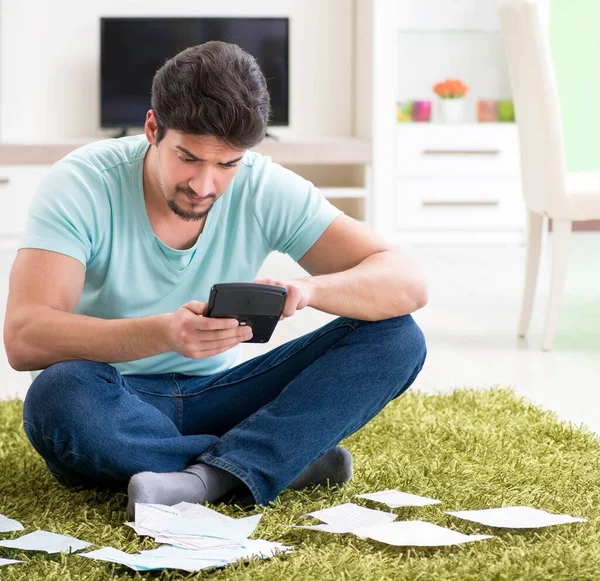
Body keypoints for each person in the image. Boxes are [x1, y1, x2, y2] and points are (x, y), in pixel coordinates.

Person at [3, 41, 428, 520]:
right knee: (59, 394)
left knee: (396, 337)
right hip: (112, 398)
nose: (205, 185)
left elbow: (407, 281)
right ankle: (273, 459)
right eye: (188, 158)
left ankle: (209, 475)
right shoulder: (81, 184)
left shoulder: (264, 185)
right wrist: (163, 333)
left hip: (223, 394)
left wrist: (310, 291)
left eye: (226, 164)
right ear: (152, 129)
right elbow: (24, 337)